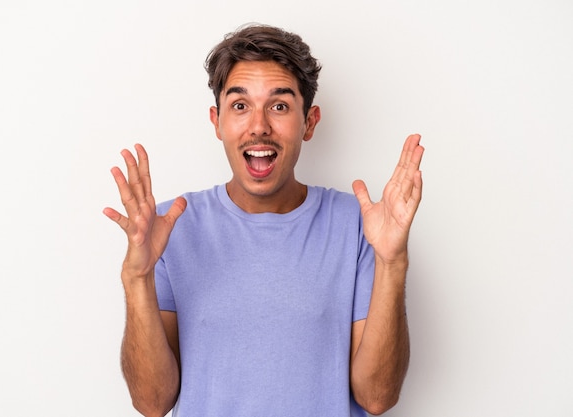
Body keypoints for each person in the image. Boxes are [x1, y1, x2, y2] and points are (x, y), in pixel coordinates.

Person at [104, 23, 424, 417]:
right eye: (240, 106)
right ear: (216, 121)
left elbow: (377, 397)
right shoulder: (169, 227)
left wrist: (393, 261)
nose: (259, 126)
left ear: (309, 122)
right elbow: (152, 402)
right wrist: (137, 277)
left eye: (279, 106)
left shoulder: (358, 225)